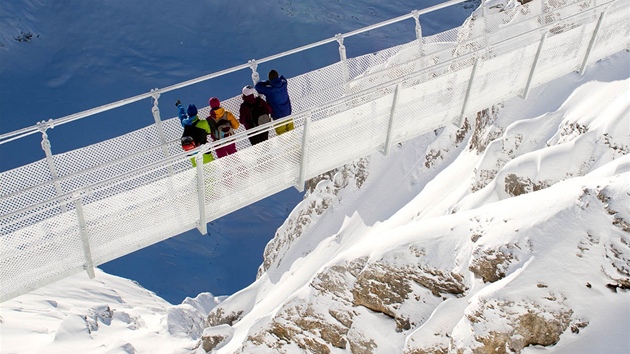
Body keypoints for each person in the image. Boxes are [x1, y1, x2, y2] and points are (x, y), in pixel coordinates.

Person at [176, 100, 214, 166]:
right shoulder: (203, 123)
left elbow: (182, 116)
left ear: (188, 113)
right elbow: (209, 132)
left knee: (198, 172)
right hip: (203, 151)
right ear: (196, 112)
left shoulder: (185, 123)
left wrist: (180, 106)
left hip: (191, 152)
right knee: (211, 169)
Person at [255, 69, 294, 135]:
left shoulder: (269, 90)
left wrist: (267, 83)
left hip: (278, 116)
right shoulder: (284, 83)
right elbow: (282, 77)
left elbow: (258, 86)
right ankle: (297, 144)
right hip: (288, 113)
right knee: (292, 131)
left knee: (283, 135)